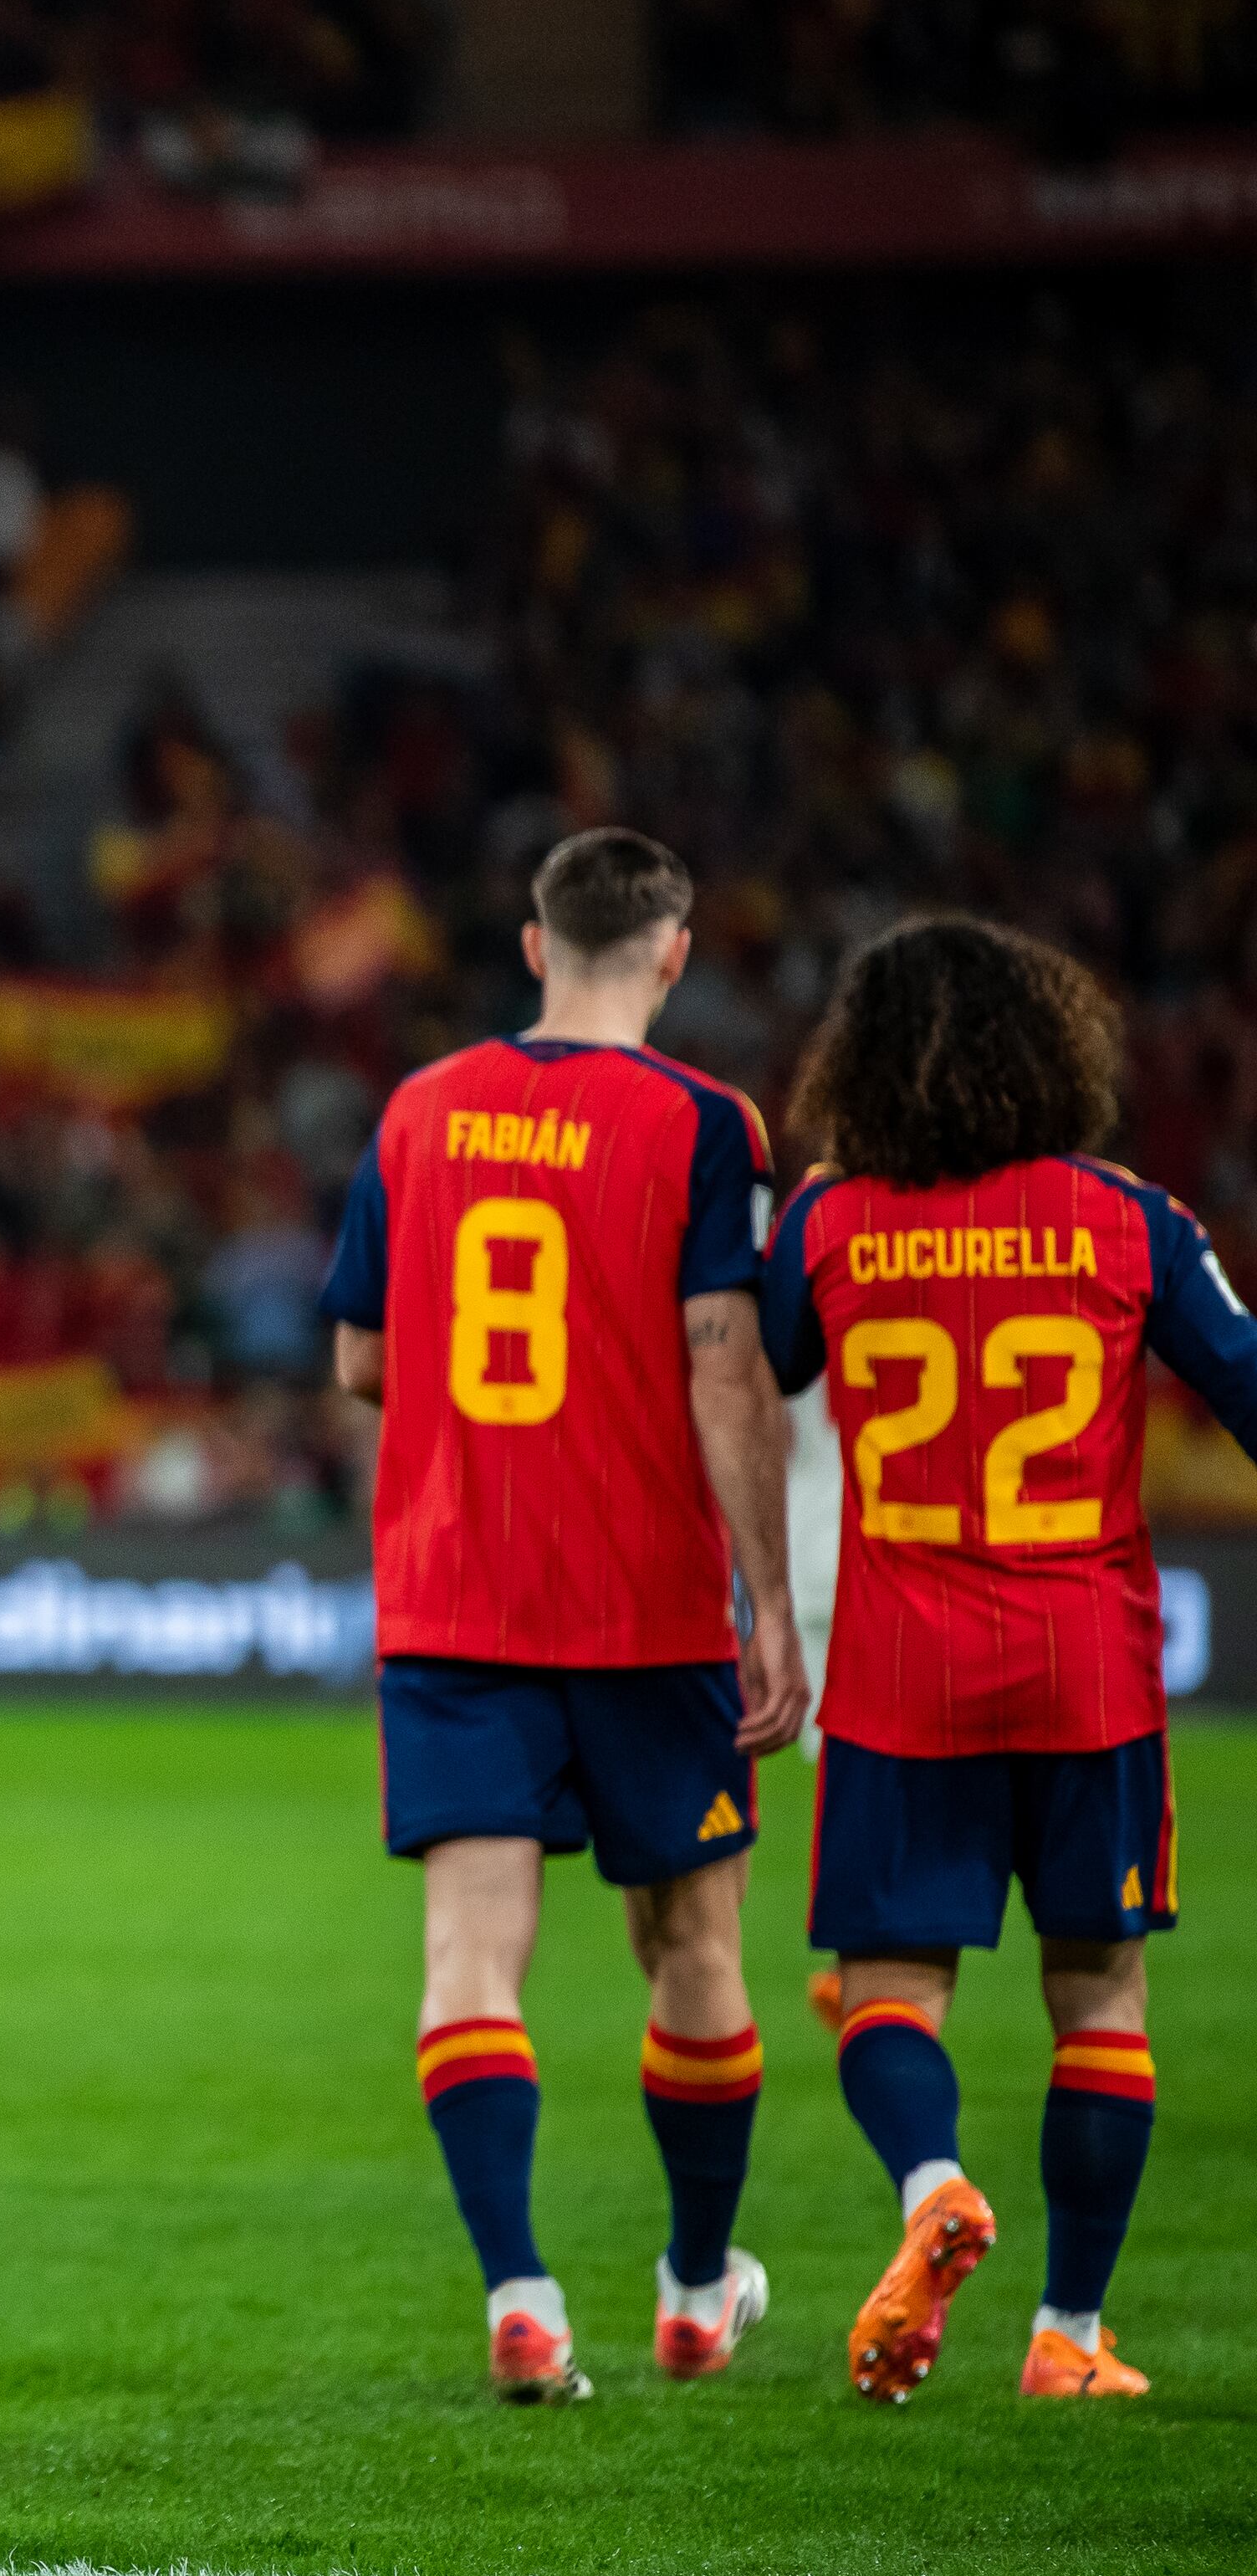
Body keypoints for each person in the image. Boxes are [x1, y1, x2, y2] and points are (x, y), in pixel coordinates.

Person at [320, 824, 806, 2404]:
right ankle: (687, 2282)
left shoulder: (419, 1111)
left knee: (474, 1951)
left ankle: (521, 2290)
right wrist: (775, 1599)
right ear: (672, 953)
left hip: (458, 1596)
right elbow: (726, 1363)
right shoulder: (703, 1122)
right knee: (695, 1941)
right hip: (647, 1603)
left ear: (534, 946)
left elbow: (361, 1362)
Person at [760, 916, 1257, 2403]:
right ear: (1052, 1047)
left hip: (905, 1671)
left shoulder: (832, 1223)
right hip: (1087, 1665)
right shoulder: (1131, 1218)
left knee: (887, 1988)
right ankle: (1071, 2336)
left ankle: (931, 2187)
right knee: (1099, 1998)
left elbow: (764, 1357)